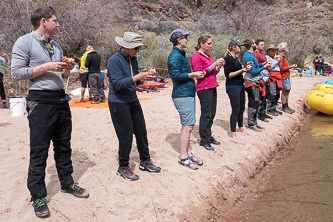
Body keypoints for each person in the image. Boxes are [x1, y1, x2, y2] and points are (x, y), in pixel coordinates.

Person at [11, 6, 89, 218]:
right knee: (39, 151)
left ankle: (67, 183)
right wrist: (46, 66)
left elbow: (60, 76)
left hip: (60, 101)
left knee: (64, 146)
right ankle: (37, 196)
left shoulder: (56, 45)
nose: (59, 24)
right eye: (56, 21)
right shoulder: (24, 42)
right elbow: (16, 73)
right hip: (39, 102)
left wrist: (65, 70)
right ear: (43, 21)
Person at [107, 32, 161, 181]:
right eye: (136, 48)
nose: (138, 51)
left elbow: (134, 82)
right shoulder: (114, 61)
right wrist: (137, 77)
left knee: (141, 132)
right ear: (127, 47)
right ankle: (123, 166)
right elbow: (118, 84)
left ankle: (145, 160)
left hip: (132, 99)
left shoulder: (133, 60)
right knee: (125, 136)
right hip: (118, 102)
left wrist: (144, 79)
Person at [167, 29, 205, 169]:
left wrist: (191, 75)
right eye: (185, 37)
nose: (187, 40)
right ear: (178, 40)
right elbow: (175, 77)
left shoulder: (180, 55)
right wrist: (192, 74)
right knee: (188, 126)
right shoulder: (174, 56)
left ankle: (188, 153)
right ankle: (183, 156)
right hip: (182, 95)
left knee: (189, 125)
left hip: (187, 93)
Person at [190, 35, 224, 151]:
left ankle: (208, 136)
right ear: (201, 43)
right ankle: (204, 140)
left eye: (211, 43)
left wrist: (218, 67)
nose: (210, 46)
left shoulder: (208, 56)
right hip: (203, 88)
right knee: (206, 113)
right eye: (208, 43)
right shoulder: (196, 57)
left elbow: (212, 71)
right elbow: (199, 73)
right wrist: (213, 64)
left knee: (212, 112)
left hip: (212, 86)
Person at [223, 40, 251, 144]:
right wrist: (242, 70)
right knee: (235, 109)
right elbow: (228, 75)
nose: (241, 48)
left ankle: (241, 127)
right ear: (233, 47)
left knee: (242, 108)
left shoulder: (235, 59)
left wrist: (245, 67)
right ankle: (233, 134)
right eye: (239, 46)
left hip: (240, 85)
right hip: (232, 86)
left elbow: (238, 71)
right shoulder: (227, 59)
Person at [242, 39, 271, 131]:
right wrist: (264, 67)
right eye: (254, 43)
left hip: (255, 82)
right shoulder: (248, 56)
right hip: (251, 82)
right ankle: (251, 123)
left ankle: (254, 122)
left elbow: (255, 66)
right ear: (251, 45)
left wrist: (262, 64)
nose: (255, 44)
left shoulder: (250, 55)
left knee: (257, 102)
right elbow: (253, 71)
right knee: (253, 102)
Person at [253, 39, 272, 122]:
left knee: (265, 96)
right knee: (261, 96)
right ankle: (260, 113)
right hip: (261, 77)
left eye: (263, 45)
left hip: (266, 77)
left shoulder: (262, 54)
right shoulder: (255, 54)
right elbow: (256, 66)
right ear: (256, 46)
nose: (263, 46)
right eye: (261, 45)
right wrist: (265, 66)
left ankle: (263, 112)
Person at [277, 42, 297, 114]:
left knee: (287, 91)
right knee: (284, 91)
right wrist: (290, 67)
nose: (288, 48)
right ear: (283, 48)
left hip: (287, 76)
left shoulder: (283, 57)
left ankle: (286, 105)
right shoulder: (280, 57)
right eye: (286, 47)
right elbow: (280, 69)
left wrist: (290, 68)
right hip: (283, 77)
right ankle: (284, 106)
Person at [265, 44, 283, 116]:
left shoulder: (274, 58)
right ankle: (270, 109)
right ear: (268, 51)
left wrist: (278, 60)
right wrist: (277, 60)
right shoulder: (267, 58)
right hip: (272, 77)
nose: (274, 52)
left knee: (277, 94)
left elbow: (279, 66)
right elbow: (270, 66)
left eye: (274, 51)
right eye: (272, 51)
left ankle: (274, 108)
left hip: (277, 77)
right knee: (272, 93)